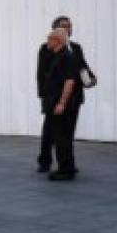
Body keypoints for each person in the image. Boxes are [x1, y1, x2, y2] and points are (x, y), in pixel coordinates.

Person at [36, 15, 92, 173]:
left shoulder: (76, 48)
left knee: (67, 132)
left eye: (69, 26)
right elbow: (42, 73)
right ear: (55, 30)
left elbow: (82, 68)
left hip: (73, 97)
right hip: (54, 97)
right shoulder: (47, 48)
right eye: (64, 26)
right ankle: (45, 161)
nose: (68, 28)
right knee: (50, 131)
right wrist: (44, 96)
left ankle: (68, 163)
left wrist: (90, 79)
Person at [40, 28, 83, 181]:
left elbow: (69, 82)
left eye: (49, 38)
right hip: (55, 103)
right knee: (60, 136)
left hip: (63, 105)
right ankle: (66, 167)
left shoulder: (66, 57)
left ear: (57, 40)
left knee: (62, 137)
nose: (47, 42)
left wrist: (62, 103)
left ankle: (65, 170)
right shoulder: (56, 56)